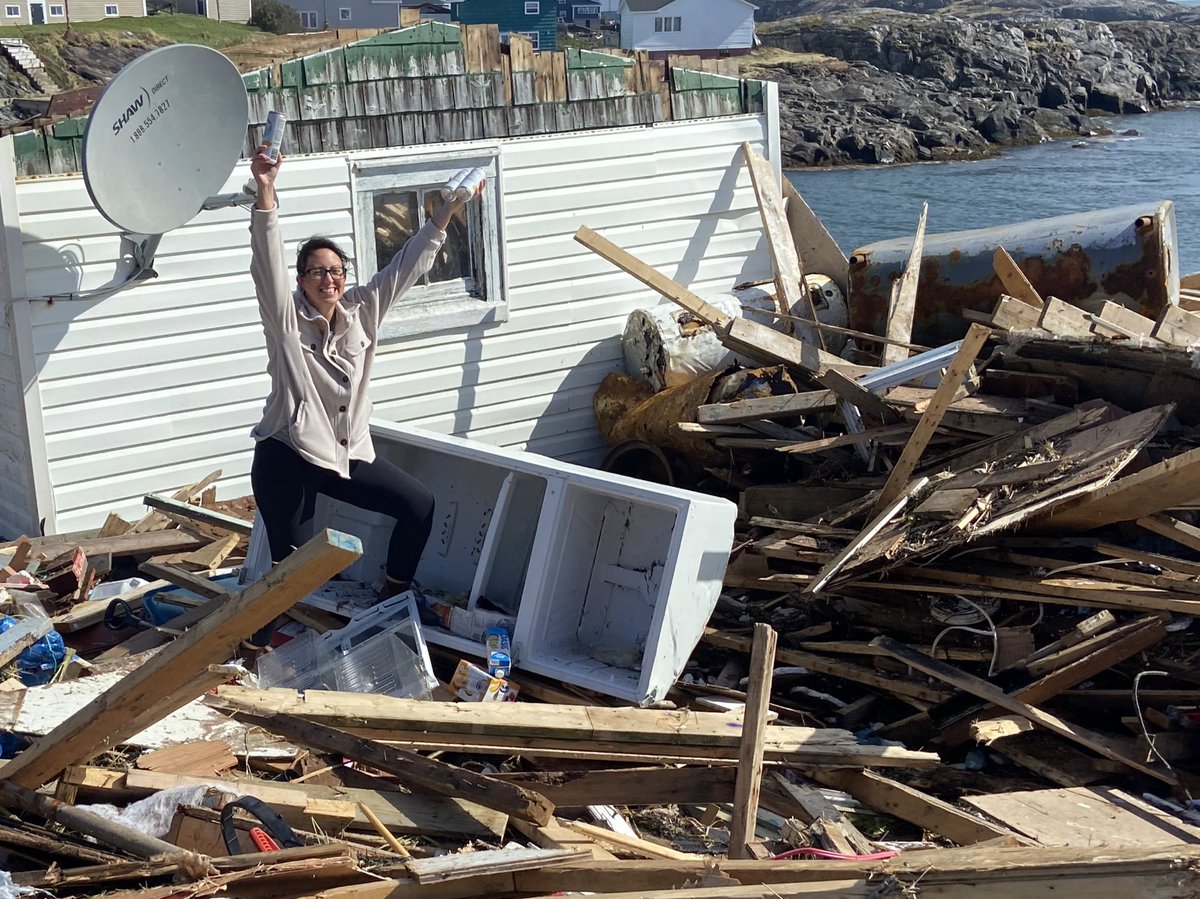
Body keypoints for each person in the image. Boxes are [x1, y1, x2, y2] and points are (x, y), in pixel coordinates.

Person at [243, 148, 480, 654]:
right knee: (291, 570)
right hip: (285, 455)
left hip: (343, 457)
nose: (329, 279)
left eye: (336, 270)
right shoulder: (286, 323)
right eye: (316, 272)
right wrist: (266, 192)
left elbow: (408, 264)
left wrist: (446, 210)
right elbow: (265, 263)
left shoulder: (362, 311)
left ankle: (393, 598)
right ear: (301, 282)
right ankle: (250, 648)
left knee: (418, 505)